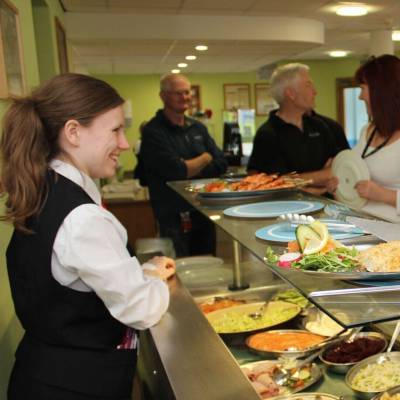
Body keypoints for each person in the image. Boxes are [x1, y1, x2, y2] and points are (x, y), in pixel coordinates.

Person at [0, 73, 176, 400]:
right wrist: (154, 276)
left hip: (41, 375)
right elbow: (141, 308)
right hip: (78, 385)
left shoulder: (46, 189)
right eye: (115, 130)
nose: (124, 143)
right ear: (73, 132)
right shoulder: (82, 218)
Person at [140, 73, 227, 257]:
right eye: (178, 93)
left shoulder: (198, 128)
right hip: (172, 218)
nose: (184, 97)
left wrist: (190, 168)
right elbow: (176, 171)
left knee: (207, 266)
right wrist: (204, 158)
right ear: (163, 96)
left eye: (187, 92)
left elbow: (221, 163)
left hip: (204, 212)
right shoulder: (153, 131)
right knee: (179, 268)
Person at [247, 63, 340, 195]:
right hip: (288, 211)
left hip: (325, 209)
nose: (315, 91)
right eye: (308, 85)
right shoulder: (267, 134)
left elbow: (337, 170)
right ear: (291, 94)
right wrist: (321, 181)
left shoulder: (320, 126)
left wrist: (299, 181)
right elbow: (276, 185)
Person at [352, 54, 400, 216]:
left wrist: (382, 195)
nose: (360, 96)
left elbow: (375, 190)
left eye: (363, 88)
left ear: (381, 91)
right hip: (361, 222)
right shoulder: (367, 130)